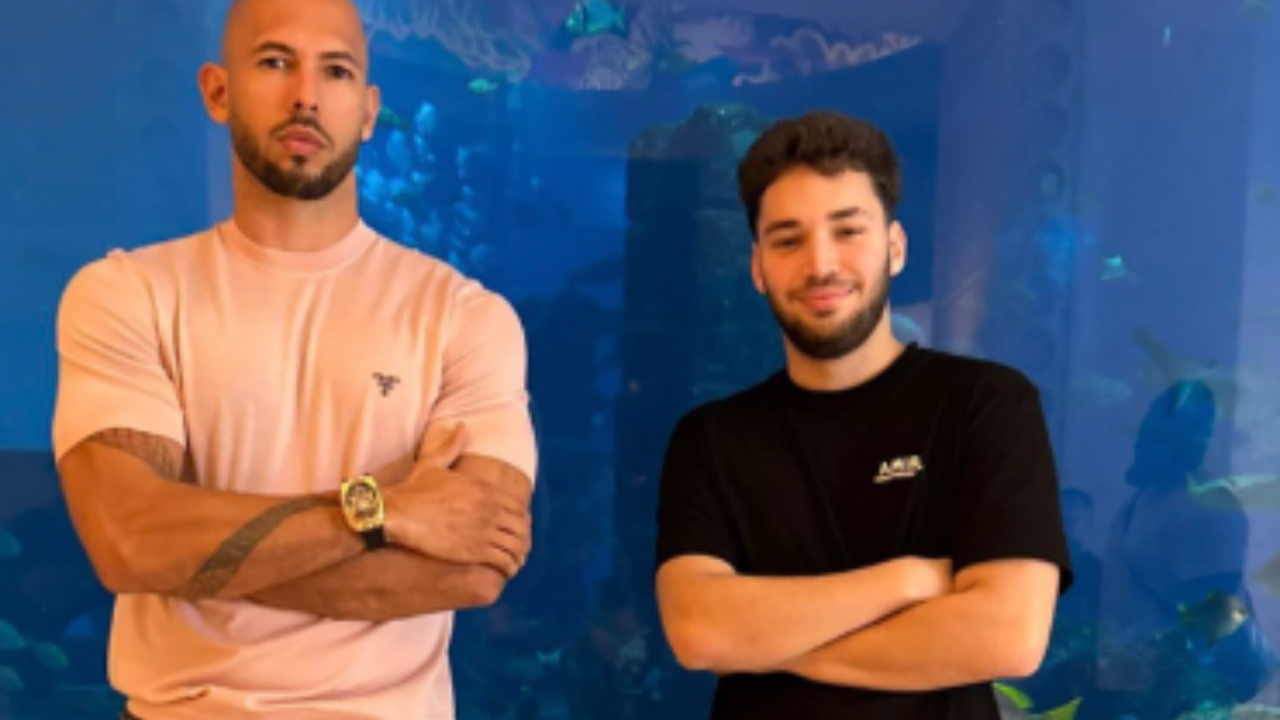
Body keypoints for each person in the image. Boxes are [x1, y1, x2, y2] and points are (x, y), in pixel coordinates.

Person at [50, 0, 536, 718]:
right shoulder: (127, 293)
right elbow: (127, 543)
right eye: (275, 62)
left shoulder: (465, 317)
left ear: (368, 111)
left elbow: (473, 570)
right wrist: (384, 511)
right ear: (218, 91)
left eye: (335, 71)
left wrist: (192, 561)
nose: (306, 95)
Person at [653, 111, 1075, 719]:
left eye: (848, 231)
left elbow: (1008, 637)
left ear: (894, 248)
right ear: (757, 267)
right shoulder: (711, 439)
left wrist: (764, 644)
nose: (821, 265)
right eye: (788, 240)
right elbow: (699, 630)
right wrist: (905, 581)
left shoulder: (987, 404)